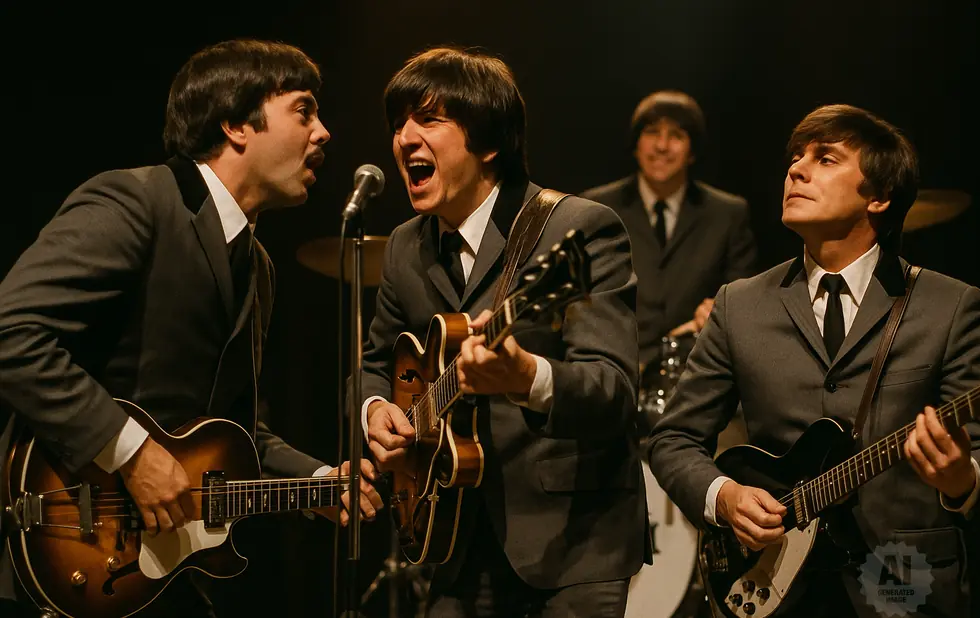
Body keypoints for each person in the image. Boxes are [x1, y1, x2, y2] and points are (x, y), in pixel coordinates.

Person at [0, 39, 383, 618]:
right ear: (235, 124)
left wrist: (322, 480)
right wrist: (131, 453)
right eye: (304, 111)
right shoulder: (136, 201)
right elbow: (11, 331)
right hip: (66, 553)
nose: (324, 131)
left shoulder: (257, 267)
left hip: (158, 580)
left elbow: (233, 427)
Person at [646, 103, 980, 617]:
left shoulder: (950, 305)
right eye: (796, 157)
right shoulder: (739, 304)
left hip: (904, 584)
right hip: (775, 583)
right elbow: (673, 439)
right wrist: (724, 497)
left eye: (826, 159)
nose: (796, 169)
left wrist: (961, 479)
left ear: (878, 197)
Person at [357, 46, 649, 617]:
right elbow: (371, 364)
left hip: (571, 550)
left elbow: (614, 391)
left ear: (489, 142)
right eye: (398, 124)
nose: (404, 138)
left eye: (429, 119)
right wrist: (374, 411)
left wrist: (527, 378)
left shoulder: (577, 228)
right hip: (451, 543)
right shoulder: (403, 247)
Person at [581, 90, 757, 369]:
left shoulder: (729, 213)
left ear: (692, 152)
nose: (662, 146)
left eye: (676, 135)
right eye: (652, 132)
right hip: (614, 368)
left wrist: (720, 309)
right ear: (636, 144)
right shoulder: (596, 208)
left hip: (695, 372)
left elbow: (745, 297)